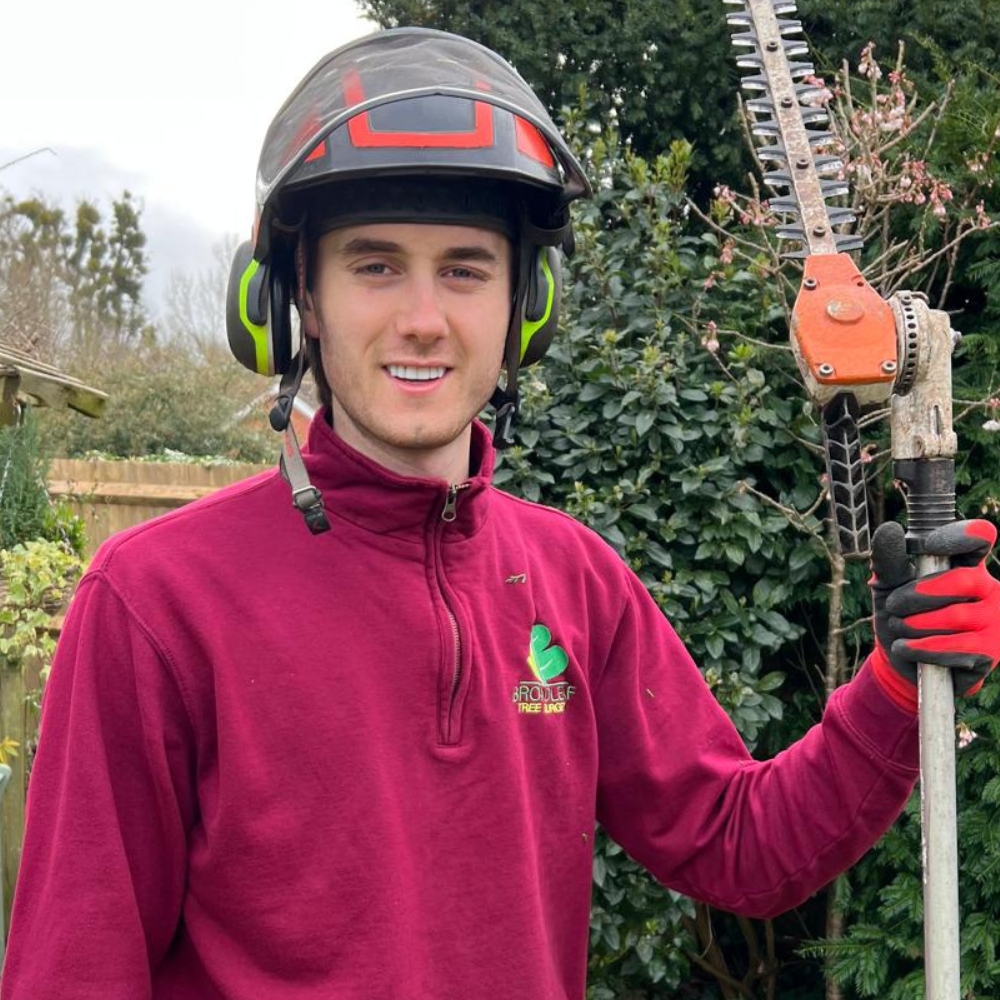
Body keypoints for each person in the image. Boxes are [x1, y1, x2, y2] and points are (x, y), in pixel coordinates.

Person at [3, 26, 999, 1000]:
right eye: (375, 264)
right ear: (291, 298)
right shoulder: (153, 599)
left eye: (466, 269)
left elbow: (738, 844)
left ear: (528, 304)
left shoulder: (573, 581)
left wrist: (893, 690)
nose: (423, 318)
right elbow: (74, 965)